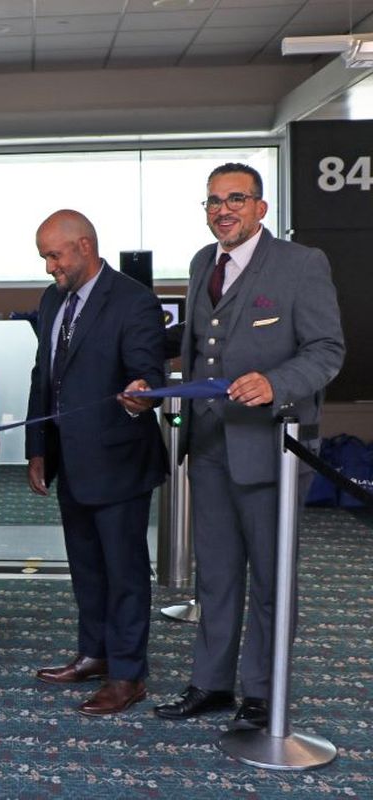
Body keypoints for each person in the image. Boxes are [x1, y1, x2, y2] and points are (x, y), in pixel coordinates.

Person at [153, 164, 345, 730]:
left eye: (236, 198)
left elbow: (327, 349)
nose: (222, 210)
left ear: (261, 207)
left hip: (272, 451)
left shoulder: (301, 264)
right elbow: (198, 342)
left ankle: (262, 691)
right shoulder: (200, 263)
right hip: (209, 444)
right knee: (215, 574)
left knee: (269, 575)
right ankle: (210, 683)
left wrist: (274, 383)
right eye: (213, 201)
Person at [26, 209, 167, 717]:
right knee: (86, 567)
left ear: (84, 245)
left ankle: (128, 675)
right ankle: (95, 653)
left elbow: (147, 371)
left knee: (124, 571)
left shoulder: (133, 300)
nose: (49, 267)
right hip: (71, 461)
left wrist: (143, 395)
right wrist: (38, 447)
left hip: (119, 462)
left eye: (54, 255)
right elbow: (44, 373)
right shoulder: (52, 299)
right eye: (44, 256)